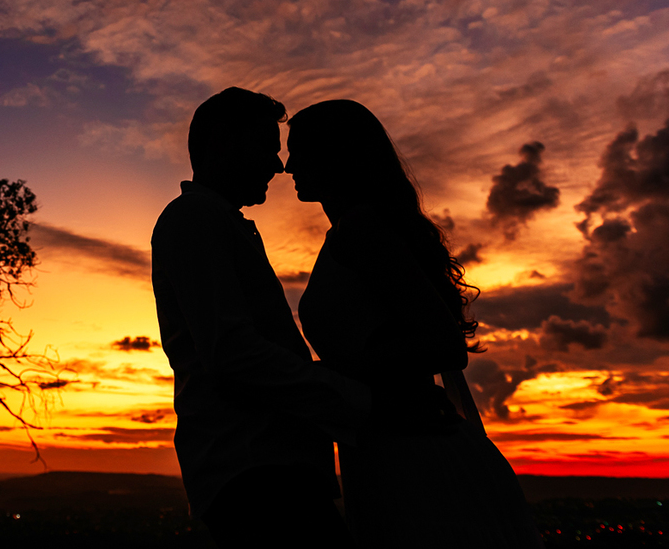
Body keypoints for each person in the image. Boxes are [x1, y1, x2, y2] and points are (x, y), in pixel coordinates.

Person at [287, 99, 544, 548]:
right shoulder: (355, 230)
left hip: (412, 450)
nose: (289, 166)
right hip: (385, 441)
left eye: (301, 151)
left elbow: (444, 343)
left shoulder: (362, 230)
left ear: (339, 155)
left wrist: (323, 376)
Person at [150, 87, 372, 548]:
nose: (277, 165)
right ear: (224, 144)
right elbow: (231, 352)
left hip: (266, 466)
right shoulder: (194, 219)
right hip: (254, 470)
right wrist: (358, 400)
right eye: (266, 149)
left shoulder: (216, 221)